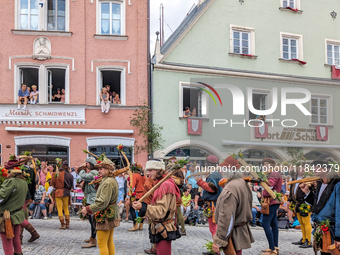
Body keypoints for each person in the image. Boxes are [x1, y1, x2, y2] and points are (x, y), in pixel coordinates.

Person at [132, 160, 181, 255]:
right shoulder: (160, 183)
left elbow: (161, 211)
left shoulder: (166, 185)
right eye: (147, 170)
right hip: (158, 226)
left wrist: (143, 207)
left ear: (158, 170)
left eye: (150, 170)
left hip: (164, 227)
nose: (147, 173)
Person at [212, 156, 254, 255]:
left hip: (232, 233)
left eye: (223, 168)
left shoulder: (230, 188)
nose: (221, 170)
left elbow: (227, 218)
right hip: (238, 230)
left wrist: (219, 240)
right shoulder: (243, 183)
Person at [299, 154, 340, 255]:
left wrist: (339, 236)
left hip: (332, 231)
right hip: (321, 230)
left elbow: (339, 212)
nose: (314, 168)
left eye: (317, 166)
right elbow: (318, 205)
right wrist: (307, 192)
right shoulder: (320, 183)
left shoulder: (337, 185)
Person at [80, 159, 120, 255]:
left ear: (107, 169)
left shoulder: (107, 182)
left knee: (102, 243)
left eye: (101, 169)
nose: (99, 171)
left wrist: (87, 209)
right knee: (109, 241)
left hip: (105, 214)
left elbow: (102, 202)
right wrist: (97, 184)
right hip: (110, 212)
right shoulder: (109, 180)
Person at [195, 154, 222, 249]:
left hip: (213, 205)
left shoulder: (214, 174)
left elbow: (212, 189)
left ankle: (216, 250)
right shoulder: (217, 173)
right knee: (214, 228)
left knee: (214, 228)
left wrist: (200, 182)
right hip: (214, 204)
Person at [0, 166, 28, 255]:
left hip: (7, 216)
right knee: (16, 240)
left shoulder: (11, 182)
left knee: (7, 242)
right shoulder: (23, 182)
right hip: (18, 213)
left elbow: (1, 197)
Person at [260, 158, 282, 255]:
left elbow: (270, 185)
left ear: (272, 165)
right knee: (273, 224)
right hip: (272, 201)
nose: (265, 165)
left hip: (271, 201)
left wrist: (261, 180)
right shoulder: (272, 173)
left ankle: (272, 249)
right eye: (264, 164)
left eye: (267, 164)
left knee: (265, 224)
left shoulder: (273, 173)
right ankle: (274, 247)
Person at [288, 164, 313, 248]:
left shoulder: (308, 179)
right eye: (300, 168)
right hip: (296, 202)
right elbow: (292, 188)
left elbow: (311, 189)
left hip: (305, 202)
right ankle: (303, 239)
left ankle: (308, 241)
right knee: (301, 222)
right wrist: (290, 199)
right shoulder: (295, 178)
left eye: (304, 168)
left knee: (306, 222)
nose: (302, 169)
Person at [77, 157, 98, 248]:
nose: (85, 164)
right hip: (90, 198)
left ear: (90, 164)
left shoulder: (94, 172)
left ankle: (93, 240)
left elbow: (84, 176)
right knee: (91, 220)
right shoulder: (92, 172)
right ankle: (92, 237)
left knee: (93, 220)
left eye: (87, 163)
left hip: (93, 198)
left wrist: (81, 168)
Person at [51, 161, 74, 230]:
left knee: (59, 209)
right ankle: (67, 224)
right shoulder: (70, 175)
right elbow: (71, 186)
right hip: (66, 192)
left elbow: (52, 183)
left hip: (58, 192)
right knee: (66, 208)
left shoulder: (56, 174)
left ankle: (62, 224)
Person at [127, 163, 146, 231]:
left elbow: (132, 186)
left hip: (137, 194)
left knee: (132, 208)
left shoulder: (135, 175)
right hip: (143, 194)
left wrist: (129, 194)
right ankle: (141, 225)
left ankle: (135, 225)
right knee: (142, 209)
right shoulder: (143, 176)